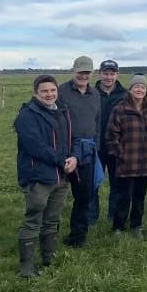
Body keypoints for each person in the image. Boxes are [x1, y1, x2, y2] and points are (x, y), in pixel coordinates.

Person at [14, 75, 77, 278]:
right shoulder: (26, 116)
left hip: (61, 176)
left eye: (52, 90)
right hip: (38, 177)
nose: (49, 94)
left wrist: (73, 157)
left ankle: (49, 258)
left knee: (52, 219)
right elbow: (36, 147)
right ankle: (27, 268)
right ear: (36, 93)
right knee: (33, 219)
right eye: (44, 91)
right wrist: (61, 160)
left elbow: (70, 138)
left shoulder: (62, 110)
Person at [105, 74, 147, 237]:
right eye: (136, 87)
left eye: (143, 87)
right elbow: (111, 135)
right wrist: (120, 154)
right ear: (130, 89)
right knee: (124, 196)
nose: (140, 90)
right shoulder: (120, 109)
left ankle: (136, 225)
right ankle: (118, 226)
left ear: (146, 90)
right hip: (127, 162)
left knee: (140, 195)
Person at [56, 56, 100, 250]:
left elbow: (97, 121)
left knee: (84, 197)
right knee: (56, 197)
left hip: (88, 151)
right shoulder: (61, 92)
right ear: (73, 71)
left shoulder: (95, 94)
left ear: (92, 73)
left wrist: (97, 145)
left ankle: (78, 237)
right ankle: (50, 236)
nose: (83, 76)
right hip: (64, 151)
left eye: (87, 72)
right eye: (80, 72)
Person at [92, 59, 126, 226]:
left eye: (112, 73)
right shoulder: (91, 93)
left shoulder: (124, 95)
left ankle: (113, 216)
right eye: (105, 73)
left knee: (117, 184)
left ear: (117, 75)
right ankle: (91, 217)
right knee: (93, 183)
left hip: (116, 146)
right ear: (100, 74)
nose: (108, 77)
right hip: (95, 146)